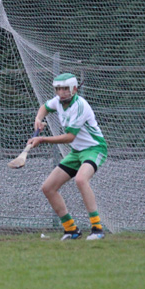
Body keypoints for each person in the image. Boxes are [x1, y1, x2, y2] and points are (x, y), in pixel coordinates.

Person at [27, 73, 107, 241]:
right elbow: (45, 107)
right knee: (48, 188)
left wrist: (41, 139)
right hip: (76, 152)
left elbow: (70, 137)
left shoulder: (80, 106)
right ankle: (71, 230)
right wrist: (38, 119)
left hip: (94, 149)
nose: (61, 92)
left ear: (74, 89)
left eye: (65, 89)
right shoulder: (58, 101)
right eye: (58, 89)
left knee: (80, 180)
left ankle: (97, 228)